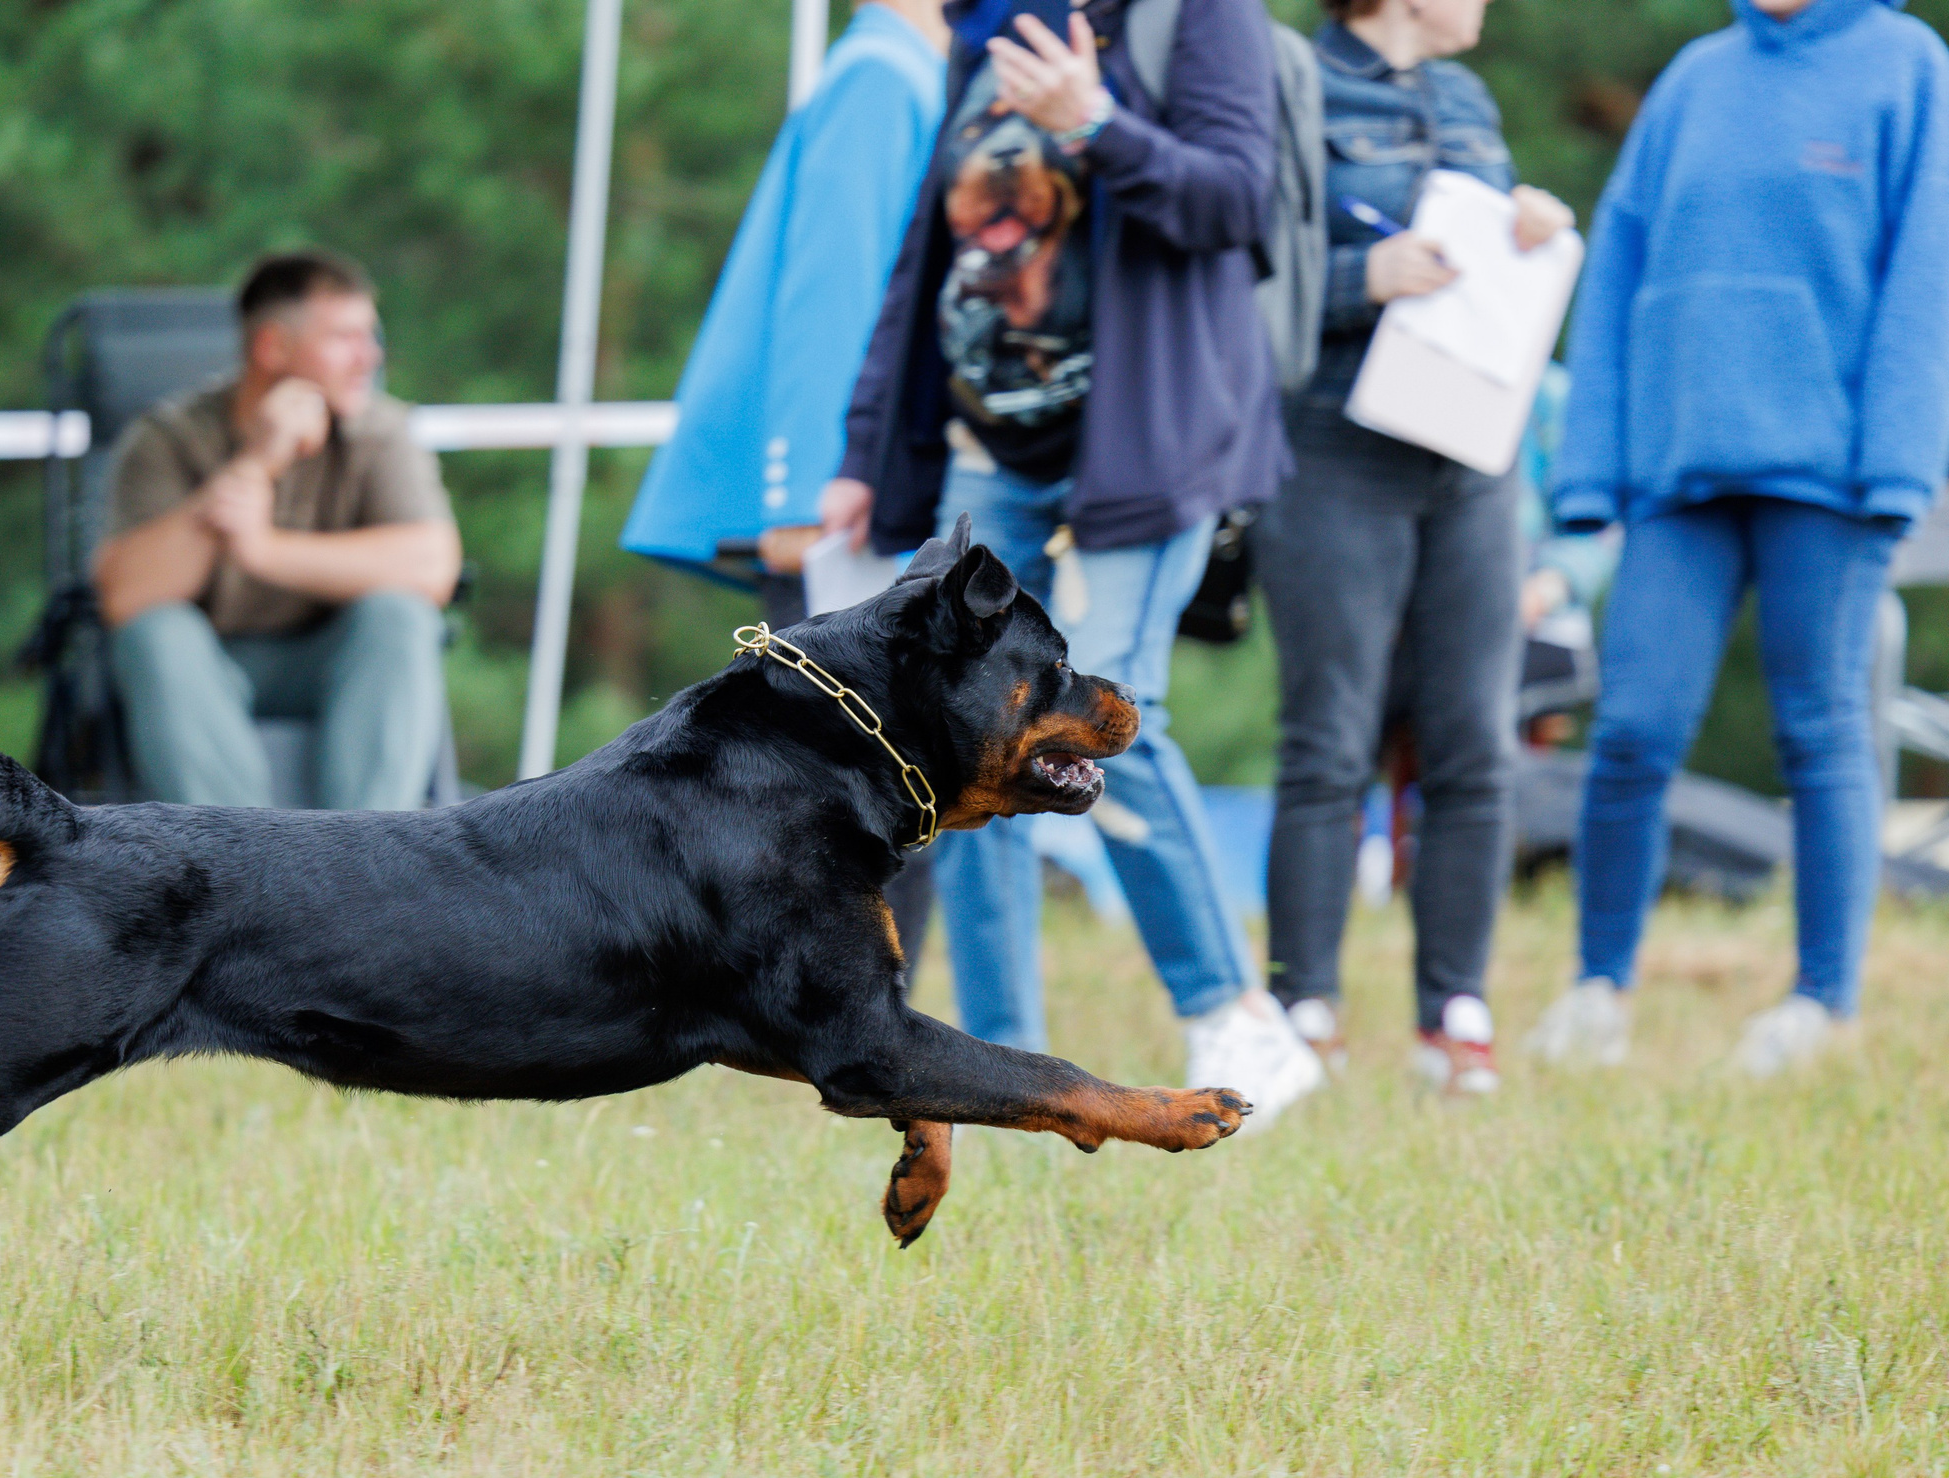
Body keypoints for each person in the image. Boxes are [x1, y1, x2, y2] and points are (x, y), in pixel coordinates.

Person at [827, 0, 1324, 1119]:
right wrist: (867, 451)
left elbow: (1234, 197)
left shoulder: (1195, 18)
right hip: (988, 440)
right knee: (972, 732)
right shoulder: (988, 23)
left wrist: (1094, 121)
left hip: (1147, 436)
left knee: (1095, 707)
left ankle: (1238, 1009)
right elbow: (928, 255)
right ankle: (1003, 1064)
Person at [1528, 0, 1949, 1077]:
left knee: (1822, 733)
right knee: (1630, 730)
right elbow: (1617, 270)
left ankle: (1820, 1001)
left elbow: (1924, 282)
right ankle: (1596, 991)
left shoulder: (1905, 66)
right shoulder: (1694, 78)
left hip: (1833, 472)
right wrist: (1592, 469)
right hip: (1679, 468)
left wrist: (1900, 466)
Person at [1247, 0, 1576, 1095]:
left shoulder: (1467, 98)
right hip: (1340, 446)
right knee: (1328, 742)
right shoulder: (1291, 82)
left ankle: (1456, 1016)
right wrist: (1362, 281)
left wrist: (1524, 229)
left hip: (1474, 454)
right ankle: (1304, 1008)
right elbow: (1249, 275)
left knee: (1476, 742)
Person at [621, 0, 948, 947]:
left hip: (868, 483)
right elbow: (830, 292)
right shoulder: (880, 79)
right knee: (859, 781)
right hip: (841, 507)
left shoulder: (900, 72)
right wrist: (804, 488)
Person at [97, 251, 461, 812]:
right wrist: (259, 459)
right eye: (345, 337)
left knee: (402, 617)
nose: (370, 356)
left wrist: (265, 550)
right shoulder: (166, 438)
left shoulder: (381, 431)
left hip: (332, 662)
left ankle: (364, 868)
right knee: (157, 632)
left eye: (370, 335)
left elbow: (432, 566)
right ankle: (233, 874)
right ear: (272, 347)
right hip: (208, 667)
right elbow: (126, 595)